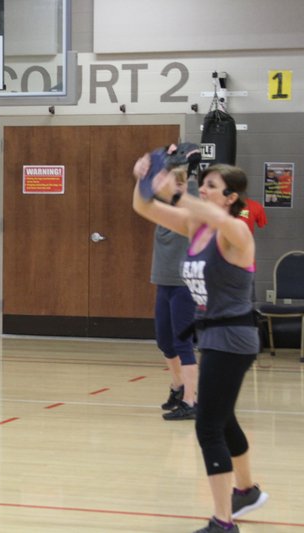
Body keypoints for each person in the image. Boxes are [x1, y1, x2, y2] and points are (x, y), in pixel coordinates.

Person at [133, 153, 268, 533]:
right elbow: (143, 207)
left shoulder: (236, 230)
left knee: (207, 427)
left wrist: (172, 191)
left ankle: (223, 522)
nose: (203, 189)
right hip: (214, 337)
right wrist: (143, 179)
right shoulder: (198, 228)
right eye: (202, 183)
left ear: (230, 197)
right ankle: (247, 490)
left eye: (211, 186)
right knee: (222, 418)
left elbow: (216, 218)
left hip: (234, 338)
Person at [152, 167, 199, 421]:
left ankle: (192, 400)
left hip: (184, 285)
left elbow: (192, 195)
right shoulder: (163, 211)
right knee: (164, 341)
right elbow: (145, 196)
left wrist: (187, 172)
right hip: (163, 283)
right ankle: (178, 385)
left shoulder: (189, 212)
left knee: (183, 343)